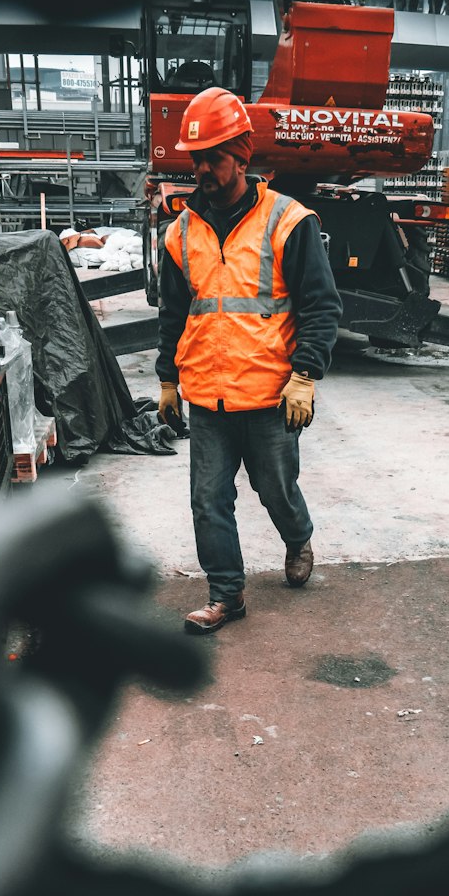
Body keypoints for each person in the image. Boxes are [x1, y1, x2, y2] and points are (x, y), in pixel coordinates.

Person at [155, 86, 343, 635]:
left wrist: (305, 376)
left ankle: (298, 536)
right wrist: (168, 380)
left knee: (276, 491)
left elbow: (321, 306)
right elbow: (174, 312)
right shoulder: (180, 232)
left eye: (214, 157)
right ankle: (225, 595)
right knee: (208, 499)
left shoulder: (288, 221)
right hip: (208, 393)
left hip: (268, 393)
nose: (204, 169)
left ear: (242, 154)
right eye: (197, 159)